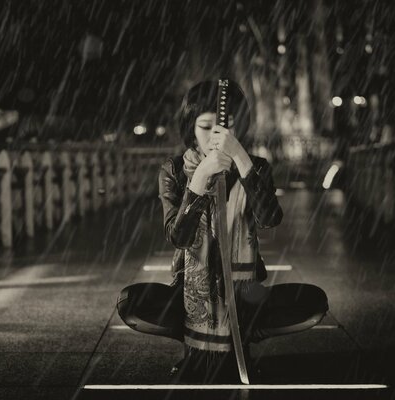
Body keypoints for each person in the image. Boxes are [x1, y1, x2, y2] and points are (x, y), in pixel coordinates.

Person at [117, 80, 328, 383]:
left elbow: (269, 218)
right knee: (132, 303)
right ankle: (197, 346)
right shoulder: (174, 170)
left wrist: (241, 160)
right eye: (205, 127)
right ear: (190, 128)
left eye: (224, 129)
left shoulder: (255, 167)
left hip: (246, 290)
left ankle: (243, 336)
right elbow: (179, 236)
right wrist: (199, 180)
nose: (215, 137)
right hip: (190, 286)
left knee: (312, 302)